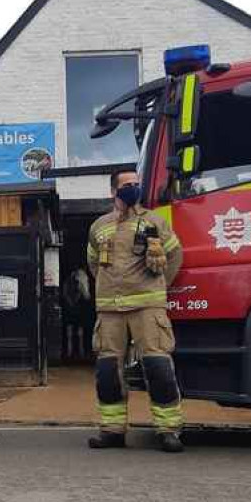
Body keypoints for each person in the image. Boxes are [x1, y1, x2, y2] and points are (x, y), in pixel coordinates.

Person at [86, 171, 185, 452]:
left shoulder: (154, 221)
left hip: (147, 306)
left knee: (158, 367)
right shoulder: (99, 226)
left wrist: (158, 286)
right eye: (127, 185)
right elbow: (94, 264)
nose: (134, 188)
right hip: (109, 310)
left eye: (136, 184)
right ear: (113, 191)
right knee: (107, 372)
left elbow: (175, 256)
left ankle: (168, 430)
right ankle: (112, 430)